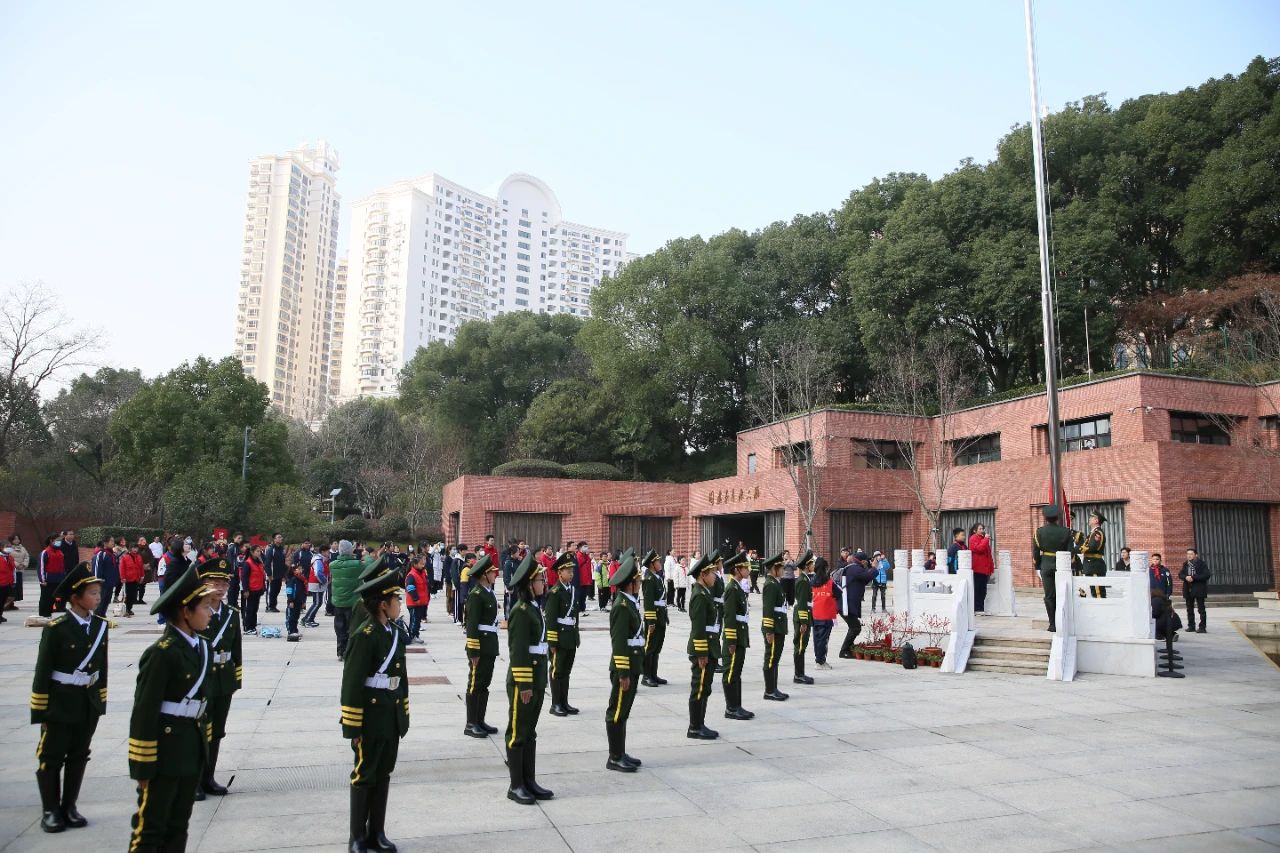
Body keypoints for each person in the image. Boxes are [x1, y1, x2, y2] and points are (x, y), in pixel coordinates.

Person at [127, 565, 215, 853]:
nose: (210, 613)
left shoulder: (203, 647)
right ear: (185, 612)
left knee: (179, 825)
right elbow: (144, 712)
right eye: (205, 607)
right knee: (150, 829)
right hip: (164, 752)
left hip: (190, 748)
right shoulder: (161, 653)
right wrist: (142, 765)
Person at [31, 562, 107, 833]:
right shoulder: (57, 628)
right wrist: (40, 711)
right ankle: (50, 810)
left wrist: (100, 701)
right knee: (51, 755)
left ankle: (69, 806)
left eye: (98, 593)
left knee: (79, 754)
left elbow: (101, 668)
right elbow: (43, 672)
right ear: (75, 597)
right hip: (60, 702)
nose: (98, 598)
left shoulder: (100, 626)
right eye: (92, 593)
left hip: (87, 701)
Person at [340, 569, 410, 853]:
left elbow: (401, 678)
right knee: (365, 774)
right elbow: (351, 683)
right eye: (396, 599)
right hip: (369, 717)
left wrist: (403, 712)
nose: (399, 604)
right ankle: (357, 836)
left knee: (383, 772)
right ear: (383, 604)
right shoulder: (365, 636)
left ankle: (376, 832)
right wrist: (353, 726)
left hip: (390, 714)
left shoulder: (394, 632)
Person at [504, 552, 553, 804]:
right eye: (540, 580)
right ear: (529, 584)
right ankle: (516, 785)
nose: (544, 583)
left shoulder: (533, 607)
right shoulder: (521, 611)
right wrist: (524, 684)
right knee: (518, 731)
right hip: (524, 680)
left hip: (537, 677)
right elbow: (518, 651)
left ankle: (529, 781)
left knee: (530, 731)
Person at [194, 558, 241, 801]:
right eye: (215, 582)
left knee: (218, 730)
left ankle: (209, 777)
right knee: (200, 730)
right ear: (203, 583)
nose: (221, 588)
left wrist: (236, 680)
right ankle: (194, 780)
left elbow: (236, 649)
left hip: (223, 679)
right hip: (202, 678)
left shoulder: (232, 614)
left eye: (224, 583)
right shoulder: (196, 612)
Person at [605, 552, 646, 771]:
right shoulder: (621, 606)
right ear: (630, 583)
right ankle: (614, 757)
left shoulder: (629, 602)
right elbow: (619, 642)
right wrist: (623, 672)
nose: (640, 583)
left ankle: (620, 751)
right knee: (617, 710)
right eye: (638, 580)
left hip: (633, 664)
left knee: (624, 710)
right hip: (625, 666)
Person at [463, 554, 501, 738]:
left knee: (484, 684)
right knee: (475, 684)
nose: (495, 574)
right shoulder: (476, 595)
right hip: (480, 647)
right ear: (484, 575)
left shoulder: (488, 592)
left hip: (489, 645)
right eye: (492, 572)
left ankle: (480, 720)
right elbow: (471, 625)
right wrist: (474, 651)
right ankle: (471, 723)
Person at [686, 550, 721, 740]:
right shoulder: (699, 595)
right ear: (702, 574)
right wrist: (701, 653)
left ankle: (700, 723)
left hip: (709, 646)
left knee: (705, 687)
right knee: (699, 687)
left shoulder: (705, 592)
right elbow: (698, 627)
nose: (714, 576)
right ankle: (695, 727)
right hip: (703, 648)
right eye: (712, 573)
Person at [545, 552, 580, 716]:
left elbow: (575, 616)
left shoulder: (572, 590)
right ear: (560, 572)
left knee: (566, 671)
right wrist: (552, 642)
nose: (571, 574)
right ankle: (556, 704)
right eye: (568, 571)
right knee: (557, 671)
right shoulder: (555, 592)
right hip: (559, 636)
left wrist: (576, 636)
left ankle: (564, 702)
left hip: (570, 636)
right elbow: (551, 619)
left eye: (572, 571)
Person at [720, 551, 754, 721]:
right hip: (734, 637)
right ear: (737, 570)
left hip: (740, 635)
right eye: (745, 567)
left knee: (737, 672)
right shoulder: (732, 589)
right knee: (731, 672)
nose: (748, 570)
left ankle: (737, 706)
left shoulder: (738, 587)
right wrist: (731, 640)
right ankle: (731, 708)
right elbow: (729, 617)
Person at [1032, 505, 1076, 633]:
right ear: (1057, 517)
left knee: (1049, 595)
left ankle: (1052, 624)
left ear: (1045, 518)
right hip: (1062, 566)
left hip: (1046, 565)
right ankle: (1063, 620)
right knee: (1063, 593)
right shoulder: (1066, 532)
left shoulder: (1039, 532)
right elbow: (1071, 552)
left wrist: (1037, 566)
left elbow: (1036, 552)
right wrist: (1070, 565)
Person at [835, 549, 876, 658]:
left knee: (853, 626)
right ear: (862, 561)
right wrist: (874, 567)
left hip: (848, 604)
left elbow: (865, 580)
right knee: (855, 627)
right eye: (866, 561)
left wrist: (870, 569)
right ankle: (844, 651)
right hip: (846, 605)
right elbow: (867, 576)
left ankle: (849, 648)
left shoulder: (854, 568)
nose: (867, 563)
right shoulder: (855, 568)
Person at [760, 553, 790, 701]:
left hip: (779, 626)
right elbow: (768, 609)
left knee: (775, 659)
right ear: (773, 569)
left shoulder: (775, 583)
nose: (783, 570)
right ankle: (769, 691)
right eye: (781, 567)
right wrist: (769, 630)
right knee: (771, 658)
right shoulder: (770, 585)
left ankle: (774, 688)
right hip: (774, 628)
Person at [640, 549, 669, 687]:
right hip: (654, 618)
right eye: (657, 561)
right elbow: (648, 602)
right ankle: (646, 676)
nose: (660, 563)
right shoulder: (649, 579)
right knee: (650, 647)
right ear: (652, 564)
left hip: (660, 615)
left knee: (657, 646)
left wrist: (665, 615)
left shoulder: (656, 577)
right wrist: (651, 621)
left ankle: (653, 674)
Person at [791, 551, 814, 685]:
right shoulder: (803, 581)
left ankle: (801, 673)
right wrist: (804, 621)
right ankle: (798, 675)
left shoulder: (805, 579)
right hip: (801, 616)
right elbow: (801, 602)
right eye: (812, 563)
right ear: (806, 566)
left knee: (802, 645)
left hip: (804, 614)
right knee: (800, 645)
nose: (813, 566)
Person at [810, 558, 836, 668]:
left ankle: (818, 660)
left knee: (817, 639)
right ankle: (820, 662)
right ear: (826, 568)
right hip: (827, 615)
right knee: (824, 639)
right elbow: (839, 593)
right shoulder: (830, 583)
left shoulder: (811, 582)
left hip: (815, 614)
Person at [1180, 548, 1211, 633]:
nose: (1189, 556)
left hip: (1199, 589)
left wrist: (1193, 577)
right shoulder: (1186, 564)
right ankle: (1191, 626)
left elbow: (1206, 575)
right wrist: (1186, 577)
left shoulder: (1201, 564)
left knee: (1201, 609)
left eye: (1191, 554)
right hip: (1188, 589)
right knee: (1189, 609)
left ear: (1196, 555)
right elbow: (1180, 574)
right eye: (1188, 554)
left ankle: (1202, 627)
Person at [968, 526, 994, 614]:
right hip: (977, 569)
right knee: (978, 590)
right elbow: (979, 549)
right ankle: (977, 609)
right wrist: (986, 539)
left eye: (983, 529)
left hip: (984, 569)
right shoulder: (973, 538)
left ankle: (981, 609)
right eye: (980, 529)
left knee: (983, 590)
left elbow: (988, 555)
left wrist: (991, 567)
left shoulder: (983, 539)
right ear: (974, 530)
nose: (982, 530)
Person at [241, 544, 266, 636]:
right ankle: (248, 627)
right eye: (257, 551)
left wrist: (263, 587)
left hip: (258, 589)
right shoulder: (248, 563)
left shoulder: (259, 562)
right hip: (251, 590)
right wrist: (246, 590)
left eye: (260, 551)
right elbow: (244, 578)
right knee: (250, 609)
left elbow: (262, 575)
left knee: (255, 609)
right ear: (252, 552)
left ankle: (253, 626)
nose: (259, 553)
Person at [91, 538, 119, 617]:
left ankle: (102, 616)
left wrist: (116, 579)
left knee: (106, 601)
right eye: (111, 541)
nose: (113, 543)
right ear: (105, 543)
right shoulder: (101, 554)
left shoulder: (112, 555)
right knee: (100, 602)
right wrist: (97, 581)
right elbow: (96, 568)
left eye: (113, 541)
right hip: (102, 583)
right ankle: (96, 618)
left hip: (110, 583)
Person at [404, 556, 429, 645]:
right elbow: (410, 588)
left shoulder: (422, 573)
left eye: (423, 564)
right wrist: (416, 598)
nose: (423, 565)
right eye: (421, 564)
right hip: (414, 603)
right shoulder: (411, 575)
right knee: (414, 620)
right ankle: (412, 636)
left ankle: (416, 635)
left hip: (421, 602)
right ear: (415, 564)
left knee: (417, 621)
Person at [1083, 511, 1108, 597]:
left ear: (1096, 520)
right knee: (1094, 591)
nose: (1089, 519)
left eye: (1091, 518)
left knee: (1098, 593)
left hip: (1094, 565)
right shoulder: (1093, 532)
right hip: (1091, 564)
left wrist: (1080, 549)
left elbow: (1093, 547)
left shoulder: (1098, 533)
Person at [120, 543, 146, 617]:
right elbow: (122, 568)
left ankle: (129, 608)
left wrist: (142, 576)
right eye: (133, 548)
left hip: (136, 579)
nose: (135, 549)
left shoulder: (139, 557)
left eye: (136, 548)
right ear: (130, 548)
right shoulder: (125, 557)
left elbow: (141, 567)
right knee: (128, 595)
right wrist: (123, 577)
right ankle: (127, 609)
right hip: (128, 579)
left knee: (134, 595)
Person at [304, 546, 328, 628]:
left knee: (317, 603)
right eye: (327, 552)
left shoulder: (320, 559)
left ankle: (308, 619)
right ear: (323, 552)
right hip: (317, 584)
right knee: (317, 603)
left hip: (317, 584)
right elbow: (318, 573)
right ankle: (307, 620)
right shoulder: (318, 560)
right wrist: (324, 581)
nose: (328, 553)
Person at [263, 533, 288, 612]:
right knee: (271, 591)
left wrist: (284, 574)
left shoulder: (281, 549)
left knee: (277, 590)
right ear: (274, 539)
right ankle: (269, 606)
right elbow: (267, 563)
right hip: (272, 575)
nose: (281, 538)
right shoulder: (271, 550)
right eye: (279, 537)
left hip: (279, 575)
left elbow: (282, 562)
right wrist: (269, 575)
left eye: (281, 537)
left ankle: (273, 606)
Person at [8, 533, 30, 610]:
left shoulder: (23, 548)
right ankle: (8, 603)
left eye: (18, 539)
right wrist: (17, 565)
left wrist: (24, 564)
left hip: (20, 571)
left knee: (18, 588)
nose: (17, 540)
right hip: (12, 571)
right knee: (11, 588)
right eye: (15, 539)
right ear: (11, 540)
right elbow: (9, 558)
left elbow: (27, 556)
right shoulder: (9, 548)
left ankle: (12, 603)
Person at [0, 541, 13, 619]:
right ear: (1, 547)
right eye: (7, 546)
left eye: (10, 546)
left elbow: (13, 569)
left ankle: (0, 614)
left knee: (3, 600)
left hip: (7, 582)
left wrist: (13, 581)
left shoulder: (10, 557)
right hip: (1, 582)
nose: (9, 548)